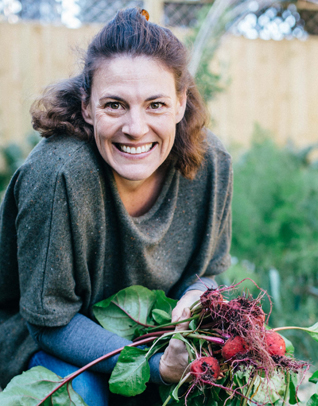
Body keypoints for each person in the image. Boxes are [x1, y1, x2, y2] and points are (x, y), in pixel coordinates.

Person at [0, 8, 232, 405]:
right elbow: (49, 322)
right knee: (84, 395)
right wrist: (153, 366)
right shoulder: (58, 176)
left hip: (149, 342)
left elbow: (208, 272)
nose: (135, 128)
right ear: (87, 106)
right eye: (115, 105)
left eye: (155, 105)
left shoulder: (212, 164)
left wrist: (197, 298)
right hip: (45, 344)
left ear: (180, 103)